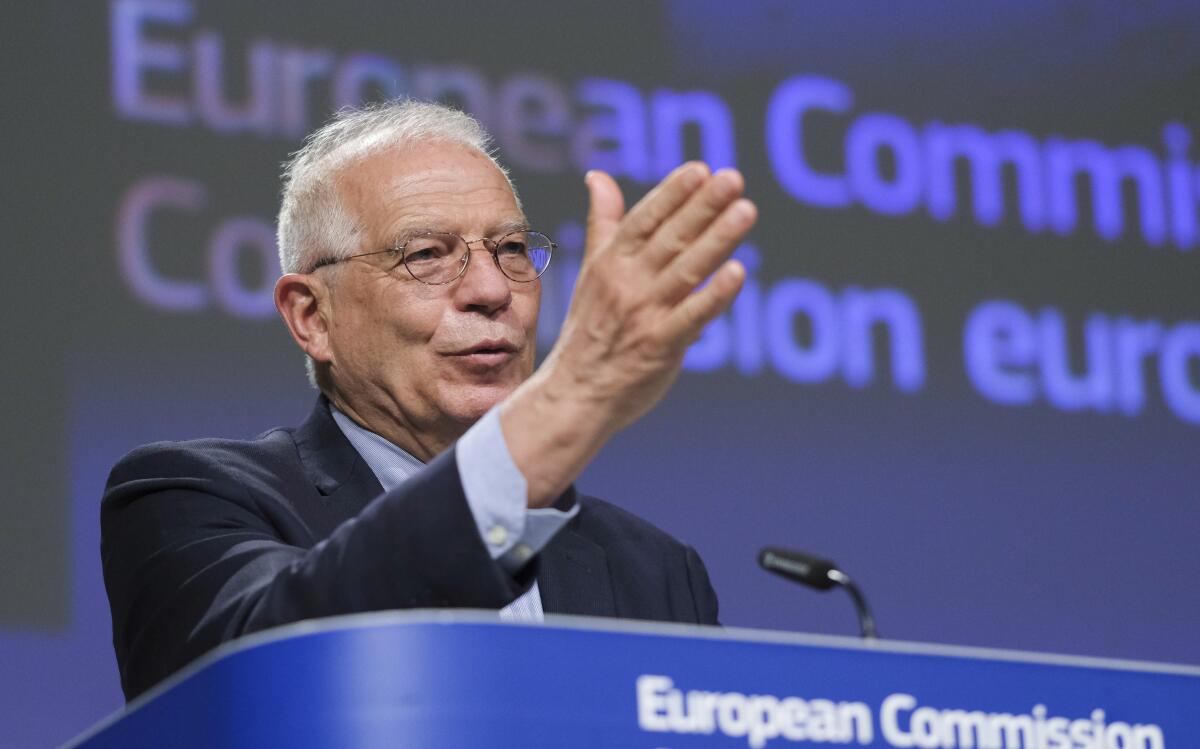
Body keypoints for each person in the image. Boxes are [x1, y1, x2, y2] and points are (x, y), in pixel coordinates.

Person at [101, 100, 757, 701]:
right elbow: (264, 681)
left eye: (509, 250)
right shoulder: (188, 497)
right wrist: (572, 397)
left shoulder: (655, 570)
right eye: (424, 254)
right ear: (312, 316)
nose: (491, 290)